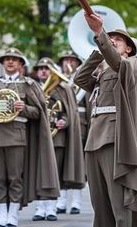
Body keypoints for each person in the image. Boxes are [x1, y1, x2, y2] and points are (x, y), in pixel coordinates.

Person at [74, 13, 137, 227]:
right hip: (95, 139)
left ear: (129, 48)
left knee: (120, 203)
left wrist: (99, 33)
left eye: (117, 40)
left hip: (115, 139)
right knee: (100, 203)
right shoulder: (104, 72)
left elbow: (117, 63)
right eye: (109, 39)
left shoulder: (133, 64)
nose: (112, 41)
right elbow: (80, 79)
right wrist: (98, 51)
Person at [0, 48, 59, 227]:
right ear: (2, 63)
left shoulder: (29, 84)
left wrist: (24, 108)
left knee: (15, 177)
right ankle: (1, 215)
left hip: (17, 136)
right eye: (6, 59)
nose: (10, 62)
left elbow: (39, 112)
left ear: (21, 64)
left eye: (14, 59)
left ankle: (13, 215)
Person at [31, 57, 85, 221]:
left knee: (55, 174)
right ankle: (40, 208)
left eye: (47, 68)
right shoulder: (31, 87)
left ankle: (52, 208)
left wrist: (65, 121)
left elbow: (70, 112)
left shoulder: (62, 88)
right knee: (37, 173)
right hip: (37, 137)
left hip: (57, 138)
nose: (43, 71)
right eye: (40, 68)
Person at [57, 50, 89, 215]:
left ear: (77, 63)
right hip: (61, 127)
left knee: (79, 165)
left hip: (81, 127)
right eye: (65, 60)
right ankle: (61, 201)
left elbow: (89, 107)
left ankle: (76, 201)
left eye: (71, 60)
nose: (68, 62)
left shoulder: (82, 80)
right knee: (61, 164)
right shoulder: (56, 80)